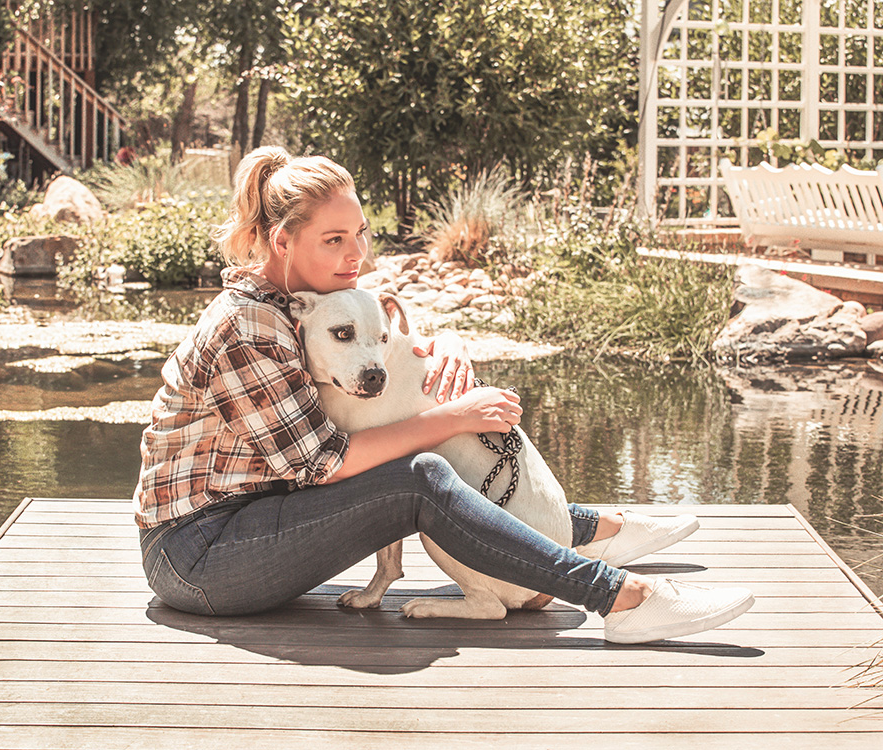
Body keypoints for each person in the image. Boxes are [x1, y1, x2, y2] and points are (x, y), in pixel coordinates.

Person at [133, 146, 754, 644]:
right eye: (334, 240)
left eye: (361, 233)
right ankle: (618, 595)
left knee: (432, 463)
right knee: (420, 475)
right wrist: (454, 414)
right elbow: (324, 464)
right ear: (282, 242)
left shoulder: (292, 304)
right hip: (198, 556)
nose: (357, 255)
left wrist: (442, 342)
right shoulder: (248, 326)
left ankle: (580, 527)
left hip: (250, 525)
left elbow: (373, 359)